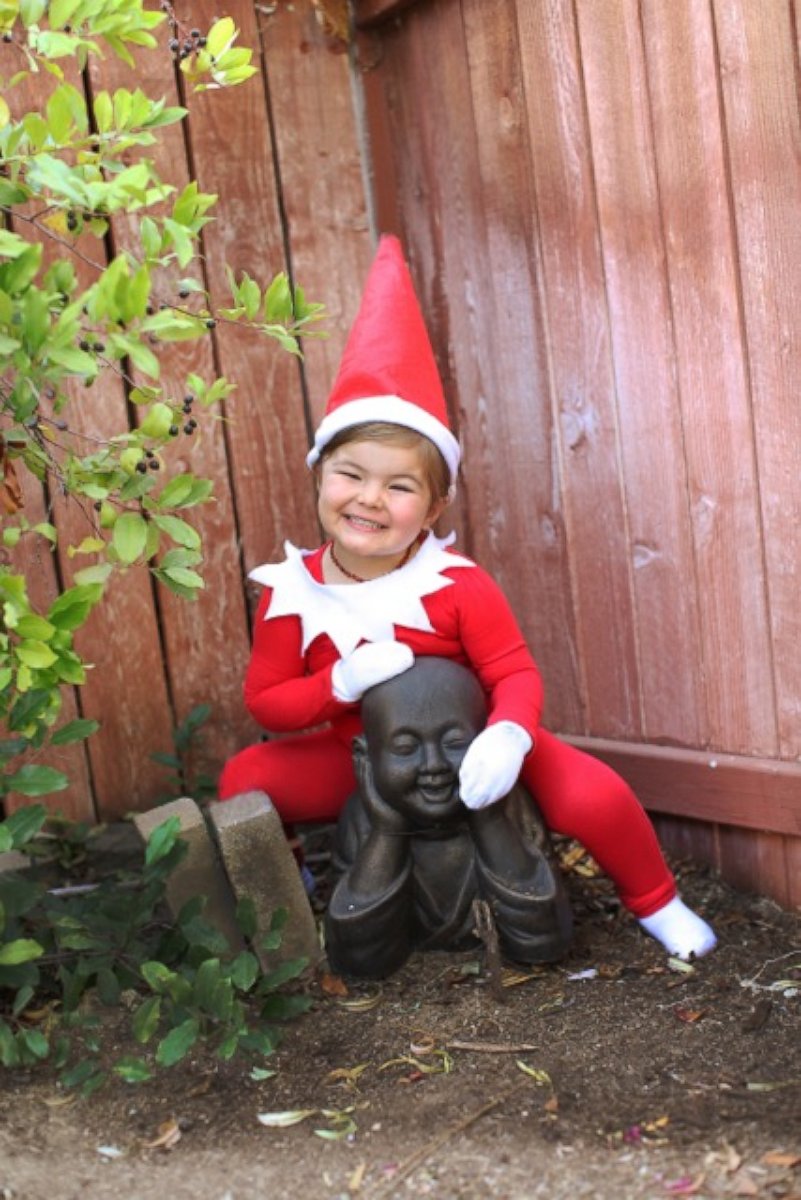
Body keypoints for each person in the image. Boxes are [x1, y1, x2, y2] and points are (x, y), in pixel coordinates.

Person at [219, 234, 717, 962]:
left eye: (399, 485)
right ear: (319, 473)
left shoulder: (454, 584)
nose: (368, 499)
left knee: (591, 793)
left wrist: (509, 736)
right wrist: (339, 683)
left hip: (471, 747)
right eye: (350, 475)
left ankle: (657, 903)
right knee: (246, 779)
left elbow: (512, 673)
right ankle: (292, 892)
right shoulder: (291, 594)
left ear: (434, 504)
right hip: (359, 756)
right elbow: (266, 701)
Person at [325, 656, 574, 978]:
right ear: (366, 757)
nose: (434, 764)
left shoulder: (508, 806)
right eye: (404, 748)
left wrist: (488, 818)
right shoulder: (364, 818)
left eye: (455, 743)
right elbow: (359, 960)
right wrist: (386, 832)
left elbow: (545, 941)